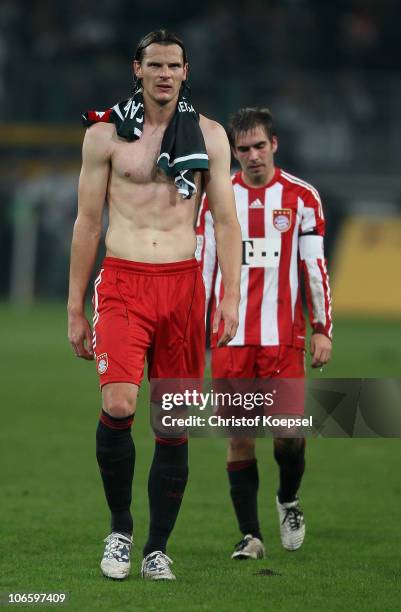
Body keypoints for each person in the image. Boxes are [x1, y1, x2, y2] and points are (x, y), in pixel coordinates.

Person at [67, 30, 241, 581]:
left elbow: (226, 221)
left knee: (172, 422)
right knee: (119, 404)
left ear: (187, 71)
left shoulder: (211, 136)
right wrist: (75, 307)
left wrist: (230, 295)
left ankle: (157, 548)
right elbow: (88, 223)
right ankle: (120, 529)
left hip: (184, 288)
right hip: (122, 281)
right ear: (136, 69)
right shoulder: (105, 136)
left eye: (174, 65)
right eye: (155, 65)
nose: (164, 74)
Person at [197, 107, 332, 560]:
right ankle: (250, 536)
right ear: (233, 152)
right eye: (243, 149)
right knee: (239, 438)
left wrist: (321, 328)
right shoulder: (218, 198)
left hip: (283, 338)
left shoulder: (302, 197)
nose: (252, 156)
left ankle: (288, 500)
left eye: (259, 146)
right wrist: (196, 334)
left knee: (288, 436)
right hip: (230, 339)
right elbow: (205, 267)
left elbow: (314, 266)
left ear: (274, 144)